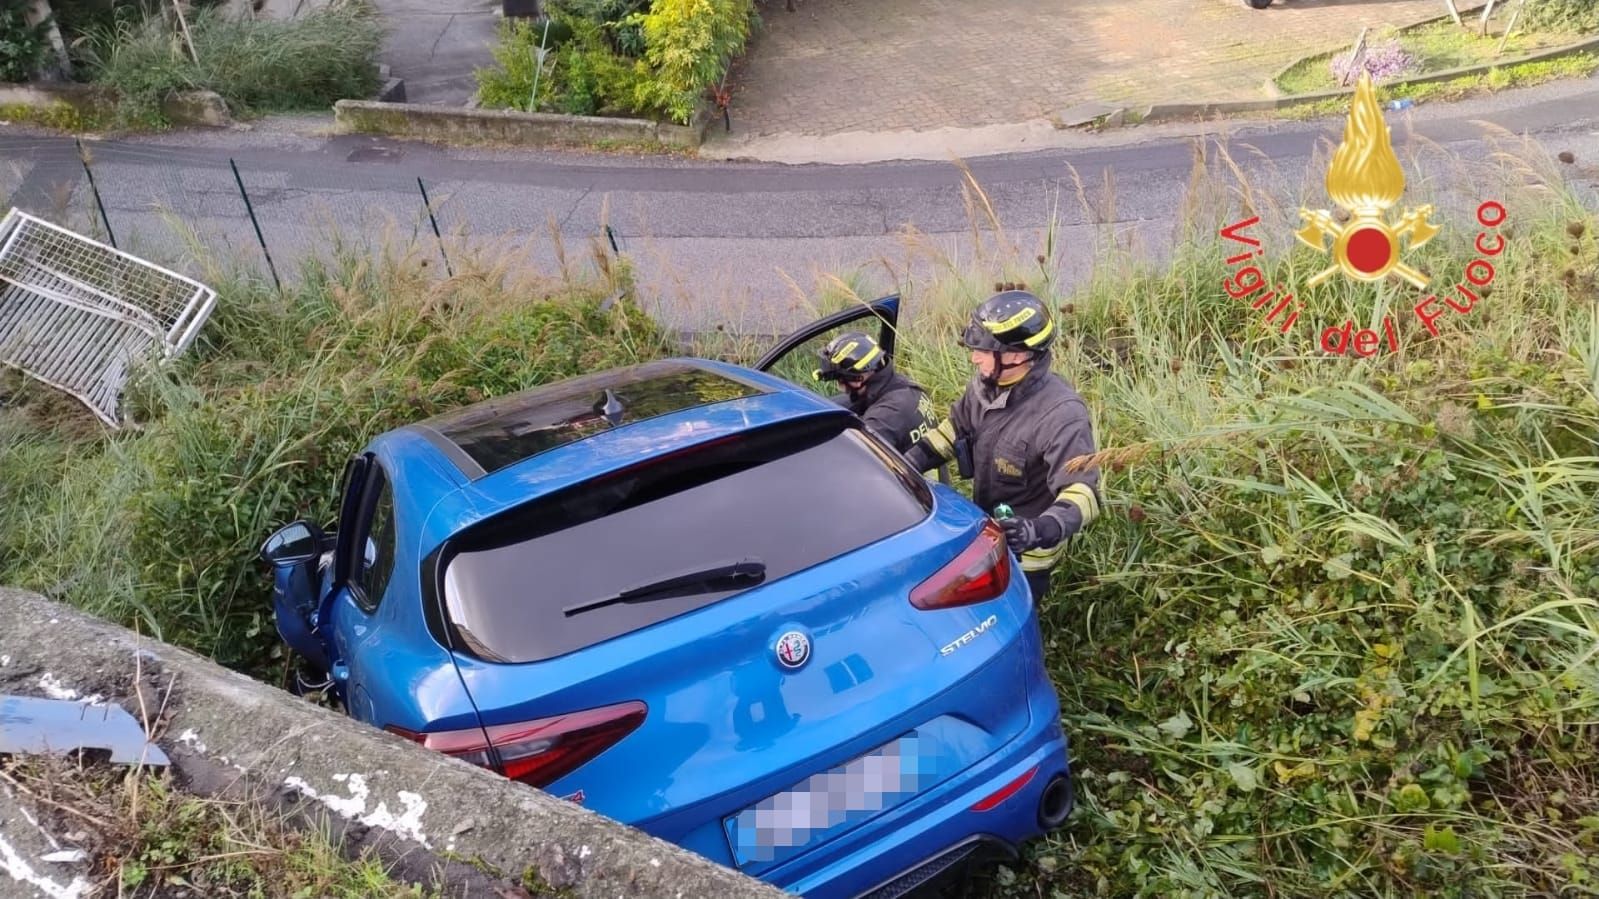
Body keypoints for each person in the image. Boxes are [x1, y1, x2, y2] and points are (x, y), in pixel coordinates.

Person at [902, 289, 1102, 599]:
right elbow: (953, 430)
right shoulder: (986, 387)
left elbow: (1084, 494)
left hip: (1029, 558)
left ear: (1018, 355)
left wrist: (1036, 530)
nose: (974, 357)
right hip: (987, 532)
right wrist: (904, 464)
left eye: (983, 350)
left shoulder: (1061, 415)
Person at [813, 330, 940, 455]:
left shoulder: (882, 419)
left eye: (840, 380)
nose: (840, 388)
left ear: (857, 379)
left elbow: (852, 461)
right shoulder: (904, 386)